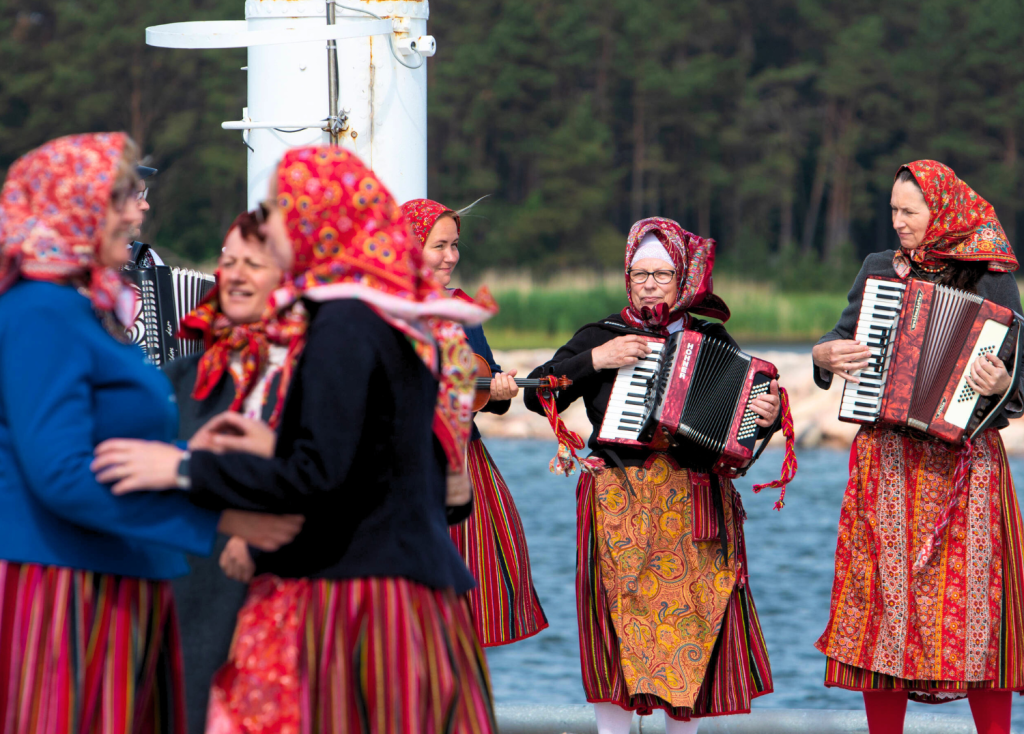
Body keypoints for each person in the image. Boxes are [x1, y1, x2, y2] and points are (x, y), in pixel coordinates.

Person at [92, 146, 498, 733]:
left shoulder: (342, 325)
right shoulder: (377, 314)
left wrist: (180, 470)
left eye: (283, 207)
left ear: (316, 219)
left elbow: (322, 476)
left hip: (367, 601)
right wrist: (269, 449)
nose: (273, 221)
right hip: (399, 594)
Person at [0, 133, 302, 733]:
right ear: (73, 207)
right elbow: (61, 475)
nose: (137, 211)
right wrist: (217, 519)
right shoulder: (39, 312)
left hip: (118, 580)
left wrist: (190, 455)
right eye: (119, 198)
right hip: (66, 592)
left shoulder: (82, 308)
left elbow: (116, 451)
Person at [522, 217, 783, 734]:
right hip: (619, 499)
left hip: (693, 502)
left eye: (661, 276)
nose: (647, 286)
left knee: (692, 626)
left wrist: (764, 419)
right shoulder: (601, 334)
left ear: (682, 278)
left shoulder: (711, 337)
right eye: (639, 275)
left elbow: (737, 436)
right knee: (615, 630)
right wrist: (596, 360)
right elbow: (537, 394)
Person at [811, 161, 1024, 734]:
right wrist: (824, 356)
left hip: (965, 464)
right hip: (887, 459)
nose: (898, 223)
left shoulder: (991, 273)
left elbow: (1020, 377)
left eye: (910, 212)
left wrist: (1004, 385)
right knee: (883, 607)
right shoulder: (880, 269)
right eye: (893, 212)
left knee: (978, 611)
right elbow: (841, 335)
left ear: (942, 212)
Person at [164, 210, 300, 734]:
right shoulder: (183, 379)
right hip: (197, 600)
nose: (236, 275)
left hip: (292, 608)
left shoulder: (323, 373)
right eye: (228, 262)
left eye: (254, 263)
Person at [402, 198, 549, 646]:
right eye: (438, 246)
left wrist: (501, 392)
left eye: (454, 245)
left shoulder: (461, 309)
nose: (450, 257)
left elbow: (487, 392)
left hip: (462, 461)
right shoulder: (382, 309)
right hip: (403, 464)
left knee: (464, 613)